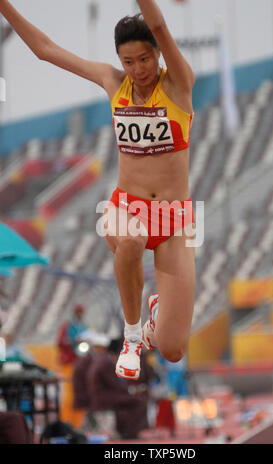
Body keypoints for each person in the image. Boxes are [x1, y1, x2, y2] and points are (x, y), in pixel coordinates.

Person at [0, 0, 196, 381]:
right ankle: (132, 336)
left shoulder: (178, 85)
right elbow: (46, 50)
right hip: (127, 206)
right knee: (133, 239)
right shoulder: (113, 82)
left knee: (173, 349)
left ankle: (154, 325)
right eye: (128, 61)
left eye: (144, 59)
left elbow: (159, 26)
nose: (138, 70)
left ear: (157, 55)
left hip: (176, 218)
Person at [87, 338, 153, 439]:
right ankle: (130, 433)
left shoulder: (104, 360)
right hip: (104, 398)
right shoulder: (106, 363)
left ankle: (128, 431)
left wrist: (130, 390)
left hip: (106, 395)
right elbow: (115, 385)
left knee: (134, 398)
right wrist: (131, 390)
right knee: (138, 400)